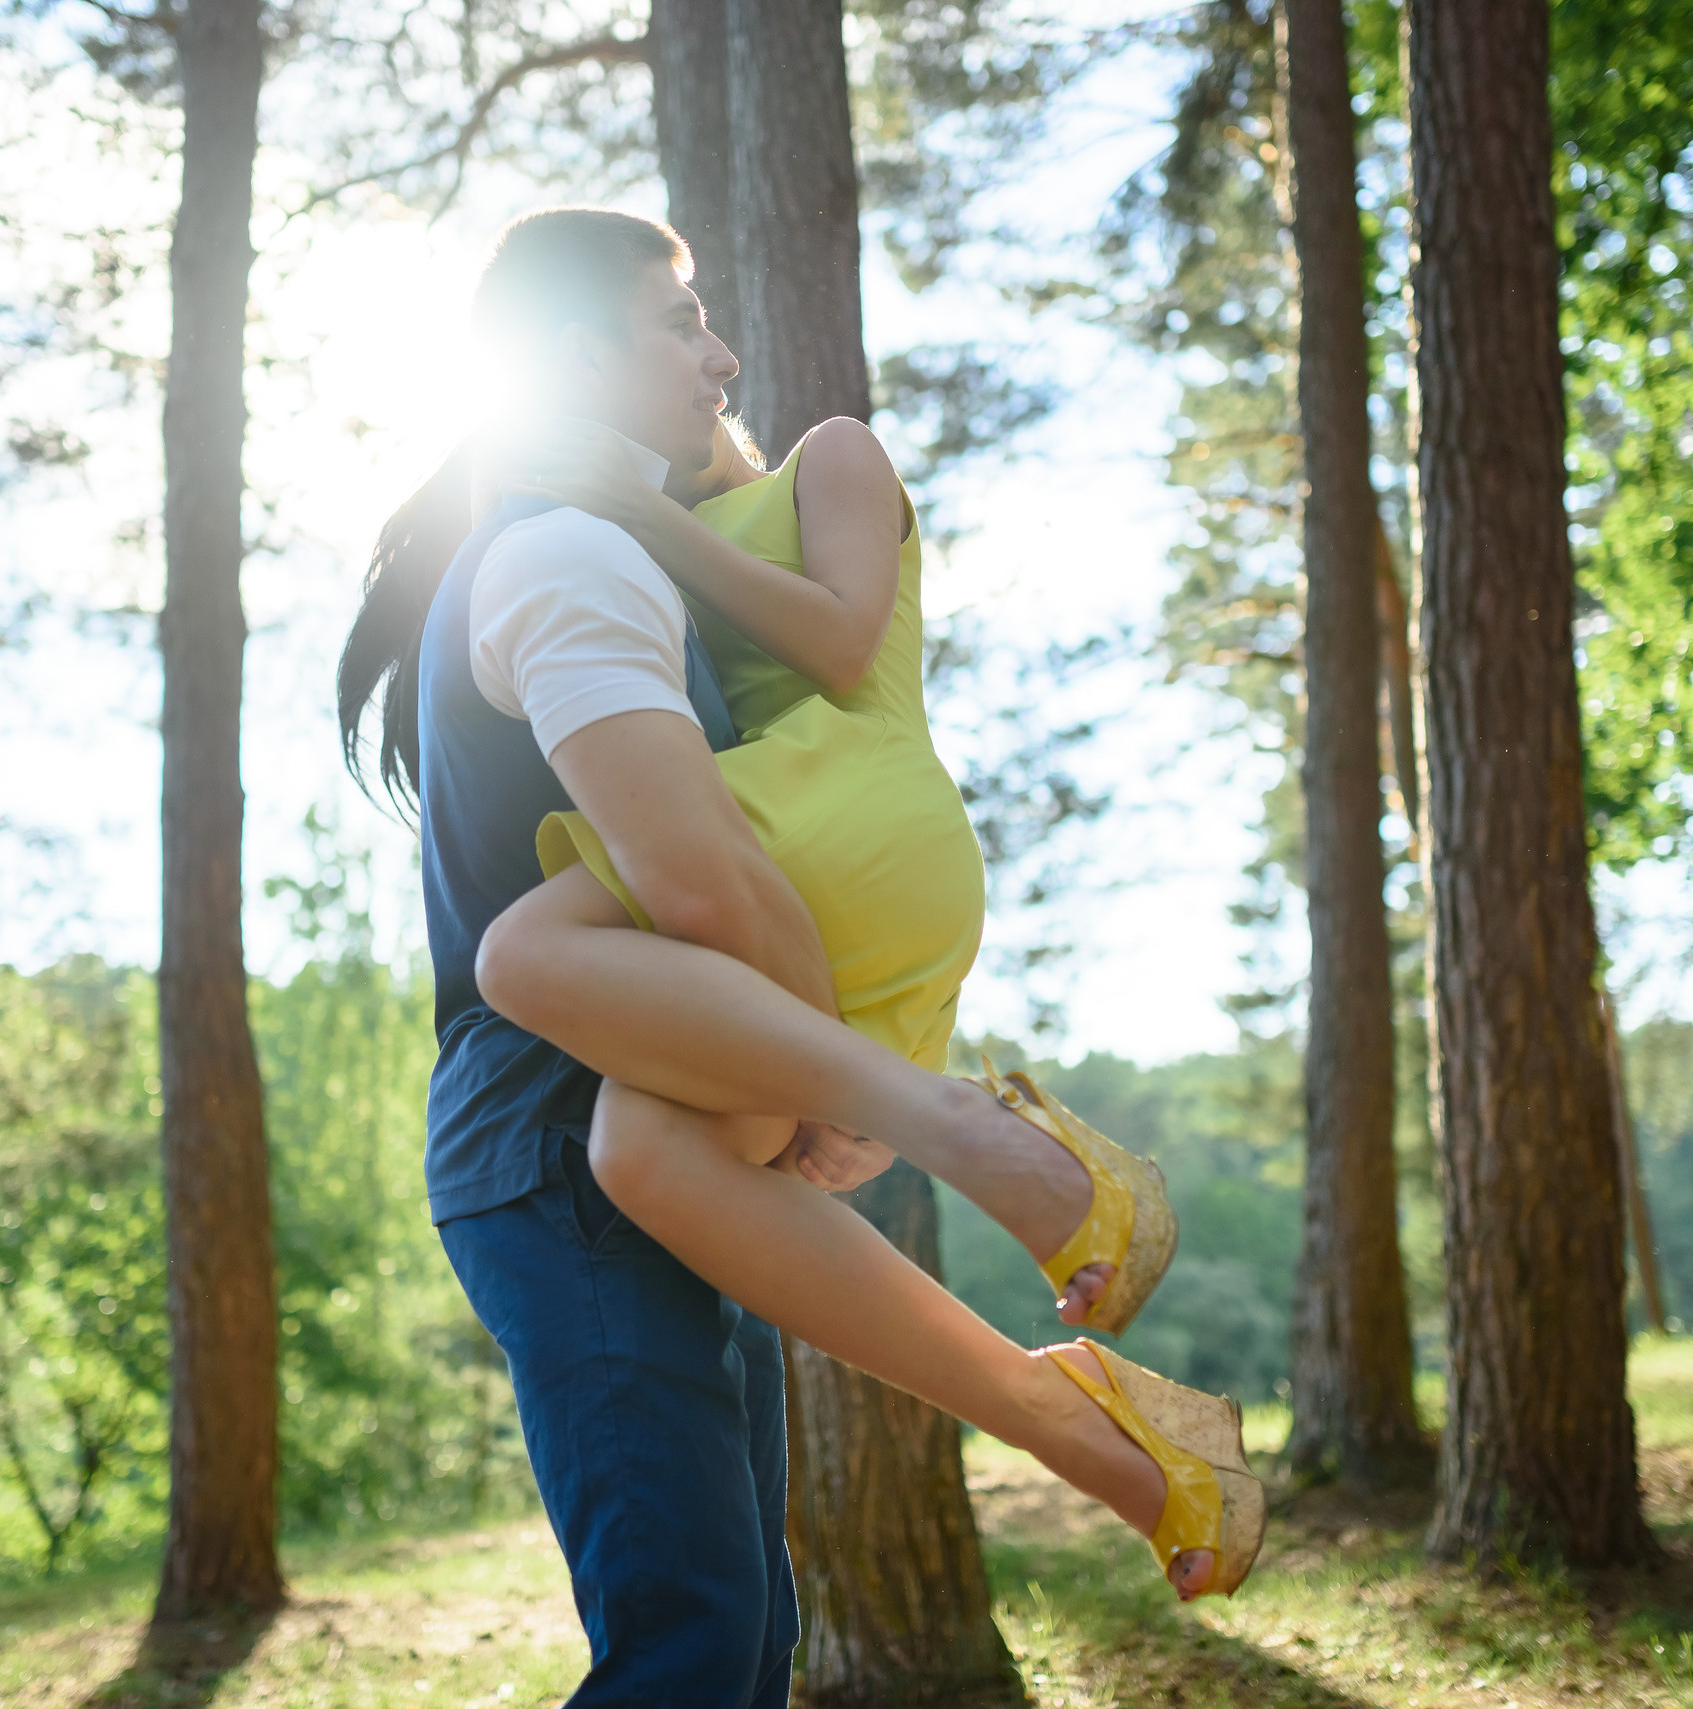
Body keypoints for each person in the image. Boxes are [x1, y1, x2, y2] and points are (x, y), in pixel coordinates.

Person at [338, 208, 1260, 1707]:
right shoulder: (571, 554)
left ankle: (1041, 1316)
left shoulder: (634, 538)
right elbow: (705, 887)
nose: (719, 353)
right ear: (579, 360)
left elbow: (745, 823)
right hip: (568, 1130)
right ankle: (1043, 1318)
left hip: (646, 1089)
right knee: (711, 1646)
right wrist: (858, 1088)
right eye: (678, 320)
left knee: (726, 1640)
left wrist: (823, 1081)